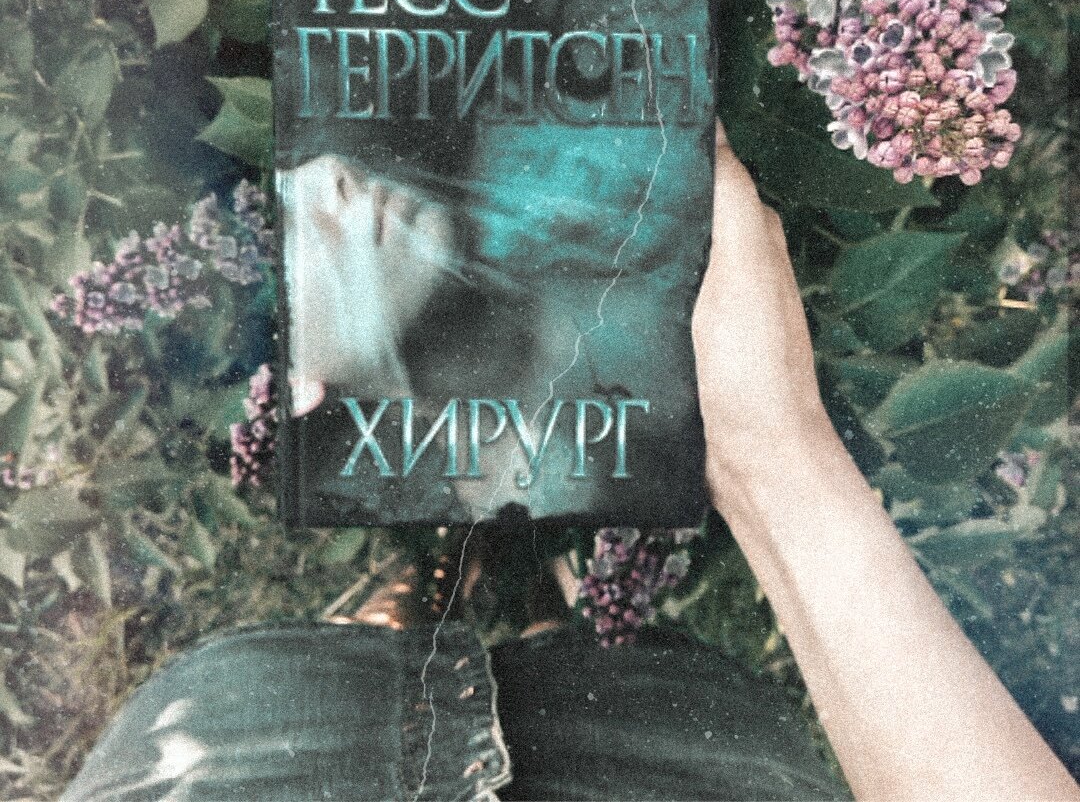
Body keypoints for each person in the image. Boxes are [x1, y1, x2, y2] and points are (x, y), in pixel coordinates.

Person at [62, 127, 1079, 801]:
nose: (327, 178)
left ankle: (414, 598)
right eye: (303, 228)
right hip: (658, 773)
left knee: (359, 654)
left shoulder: (538, 218)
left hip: (261, 762)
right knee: (608, 662)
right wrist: (772, 450)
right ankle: (543, 601)